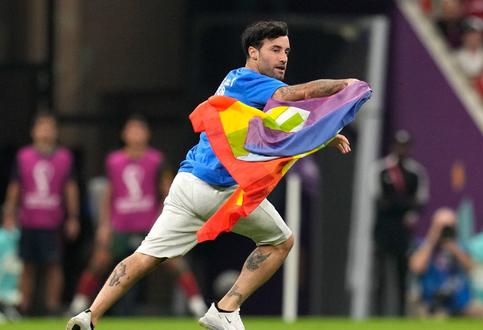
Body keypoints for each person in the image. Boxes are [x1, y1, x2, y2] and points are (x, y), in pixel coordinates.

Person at [67, 20, 356, 330]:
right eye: (275, 50)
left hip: (187, 182)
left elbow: (279, 126)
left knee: (146, 256)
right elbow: (301, 94)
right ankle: (226, 308)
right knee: (280, 241)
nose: (283, 58)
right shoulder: (254, 81)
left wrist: (324, 135)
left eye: (286, 51)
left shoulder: (234, 79)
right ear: (253, 52)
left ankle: (89, 316)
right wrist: (345, 85)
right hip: (219, 189)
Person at [67, 114, 207, 317]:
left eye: (140, 129)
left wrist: (167, 219)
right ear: (124, 134)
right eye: (131, 130)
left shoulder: (156, 159)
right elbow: (109, 194)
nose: (136, 134)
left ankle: (197, 305)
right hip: (121, 224)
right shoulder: (114, 161)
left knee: (175, 262)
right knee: (99, 261)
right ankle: (77, 304)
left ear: (147, 134)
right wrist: (104, 226)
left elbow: (167, 190)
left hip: (149, 224)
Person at [2, 111, 80, 315]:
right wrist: (9, 212)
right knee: (26, 265)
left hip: (53, 221)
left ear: (55, 132)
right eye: (41, 127)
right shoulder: (23, 156)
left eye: (49, 127)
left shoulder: (64, 157)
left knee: (54, 265)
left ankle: (52, 307)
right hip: (28, 220)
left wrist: (73, 217)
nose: (45, 131)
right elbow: (15, 187)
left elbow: (70, 188)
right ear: (33, 131)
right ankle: (22, 308)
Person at [409, 208, 483, 321]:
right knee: (437, 320)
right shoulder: (423, 246)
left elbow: (471, 268)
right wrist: (432, 239)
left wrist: (454, 248)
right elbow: (417, 267)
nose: (445, 230)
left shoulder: (461, 247)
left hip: (461, 303)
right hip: (433, 304)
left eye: (449, 226)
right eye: (442, 227)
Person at [372, 130, 429, 316]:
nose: (402, 149)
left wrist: (400, 206)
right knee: (380, 274)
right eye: (399, 145)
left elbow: (420, 202)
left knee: (402, 273)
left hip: (403, 230)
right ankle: (378, 314)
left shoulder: (415, 172)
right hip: (383, 228)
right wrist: (403, 204)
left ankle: (400, 315)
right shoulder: (381, 169)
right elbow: (379, 200)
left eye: (405, 146)